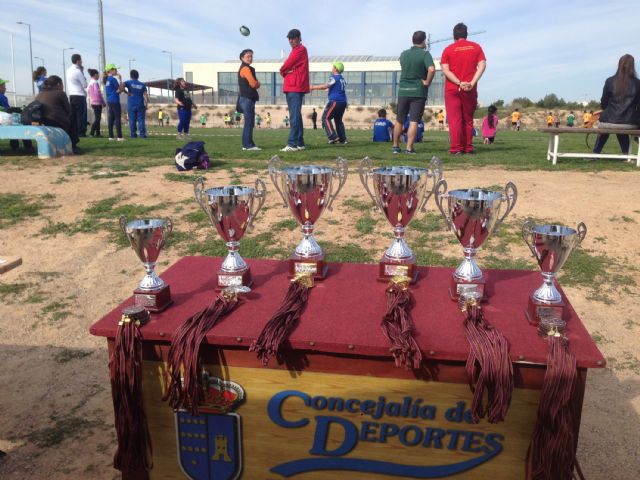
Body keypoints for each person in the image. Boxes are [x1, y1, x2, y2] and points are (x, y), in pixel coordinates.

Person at [440, 23, 486, 155]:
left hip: (452, 89)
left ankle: (456, 148)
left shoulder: (448, 49)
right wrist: (471, 82)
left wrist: (459, 83)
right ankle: (468, 147)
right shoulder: (476, 47)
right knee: (468, 119)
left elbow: (445, 70)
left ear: (454, 35)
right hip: (470, 89)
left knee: (455, 120)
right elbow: (482, 65)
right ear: (466, 34)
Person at [393, 31, 435, 154]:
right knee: (414, 121)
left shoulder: (404, 54)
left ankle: (395, 146)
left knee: (399, 120)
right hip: (418, 92)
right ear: (423, 41)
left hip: (403, 91)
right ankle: (409, 148)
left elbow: (403, 64)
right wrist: (427, 81)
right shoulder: (425, 54)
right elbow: (432, 69)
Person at [593, 54, 640, 155]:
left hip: (609, 120)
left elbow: (604, 103)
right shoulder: (638, 83)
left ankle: (596, 153)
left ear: (619, 65)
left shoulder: (610, 81)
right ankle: (626, 154)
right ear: (632, 66)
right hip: (629, 123)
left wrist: (606, 110)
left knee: (607, 126)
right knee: (620, 126)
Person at [279, 28, 310, 151]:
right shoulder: (296, 50)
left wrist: (283, 70)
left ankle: (292, 144)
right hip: (294, 86)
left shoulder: (300, 50)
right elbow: (289, 65)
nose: (291, 40)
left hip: (295, 87)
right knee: (296, 115)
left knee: (294, 116)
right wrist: (287, 70)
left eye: (293, 38)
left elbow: (287, 64)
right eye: (289, 38)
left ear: (299, 38)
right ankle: (300, 143)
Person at [35, 75, 80, 153]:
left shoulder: (40, 94)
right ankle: (73, 145)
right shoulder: (60, 93)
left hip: (42, 122)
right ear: (58, 84)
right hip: (56, 122)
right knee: (72, 116)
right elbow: (68, 110)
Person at [311, 61, 348, 144]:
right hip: (343, 102)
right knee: (338, 121)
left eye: (333, 67)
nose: (332, 68)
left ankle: (333, 137)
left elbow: (325, 86)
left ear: (335, 69)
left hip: (335, 101)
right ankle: (343, 139)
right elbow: (335, 89)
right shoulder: (342, 79)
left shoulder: (334, 77)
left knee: (325, 118)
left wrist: (312, 87)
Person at [0, 79, 34, 153]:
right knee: (19, 123)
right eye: (3, 86)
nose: (5, 88)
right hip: (2, 119)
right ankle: (27, 146)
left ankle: (15, 146)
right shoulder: (1, 96)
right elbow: (7, 109)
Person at [237, 48, 262, 151]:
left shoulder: (246, 68)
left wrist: (256, 83)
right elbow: (254, 83)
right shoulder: (245, 69)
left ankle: (249, 144)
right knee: (249, 122)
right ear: (242, 58)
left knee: (250, 122)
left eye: (251, 56)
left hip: (246, 99)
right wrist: (257, 83)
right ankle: (247, 145)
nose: (250, 58)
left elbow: (254, 83)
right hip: (247, 99)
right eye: (247, 56)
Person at [65, 53, 88, 140]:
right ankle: (81, 132)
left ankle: (74, 132)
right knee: (80, 115)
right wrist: (82, 72)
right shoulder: (78, 71)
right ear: (78, 61)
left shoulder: (68, 70)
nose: (82, 61)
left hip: (71, 95)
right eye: (81, 59)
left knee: (73, 115)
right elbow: (85, 85)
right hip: (80, 95)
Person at [103, 64, 125, 141]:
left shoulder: (107, 79)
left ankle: (111, 136)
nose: (117, 71)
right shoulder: (113, 79)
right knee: (117, 118)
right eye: (115, 69)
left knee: (111, 118)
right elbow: (121, 89)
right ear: (111, 70)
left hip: (109, 100)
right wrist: (120, 78)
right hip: (115, 100)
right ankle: (119, 137)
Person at [123, 69, 148, 139]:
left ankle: (133, 135)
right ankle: (142, 135)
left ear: (131, 76)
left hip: (131, 104)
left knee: (132, 120)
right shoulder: (142, 85)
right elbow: (145, 95)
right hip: (140, 103)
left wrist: (126, 92)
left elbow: (121, 86)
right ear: (138, 76)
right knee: (141, 120)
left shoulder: (128, 82)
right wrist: (146, 104)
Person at [86, 68, 105, 137]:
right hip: (97, 102)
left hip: (93, 102)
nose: (98, 76)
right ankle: (91, 132)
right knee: (97, 119)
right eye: (98, 75)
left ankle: (98, 133)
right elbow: (98, 93)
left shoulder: (90, 83)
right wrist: (103, 102)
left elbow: (88, 92)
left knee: (97, 118)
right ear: (95, 75)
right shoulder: (95, 83)